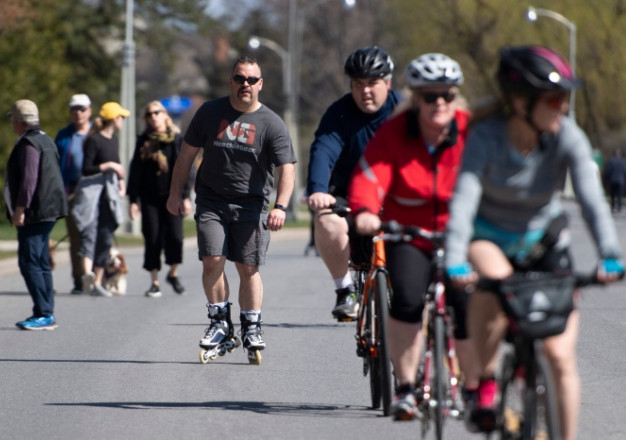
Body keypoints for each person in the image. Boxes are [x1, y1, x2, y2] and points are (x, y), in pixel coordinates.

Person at [444, 46, 625, 440]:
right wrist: (454, 259)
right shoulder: (484, 137)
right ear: (520, 101)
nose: (562, 108)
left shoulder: (567, 136)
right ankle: (483, 380)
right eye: (553, 98)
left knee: (561, 359)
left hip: (546, 246)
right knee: (494, 282)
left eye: (563, 98)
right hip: (488, 240)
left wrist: (609, 254)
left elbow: (591, 199)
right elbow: (462, 203)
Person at [348, 53, 476, 420]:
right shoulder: (395, 133)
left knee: (468, 304)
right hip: (410, 233)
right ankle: (405, 388)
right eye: (429, 96)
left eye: (446, 96)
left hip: (459, 233)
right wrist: (368, 211)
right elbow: (371, 175)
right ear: (414, 99)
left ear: (455, 97)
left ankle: (471, 387)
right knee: (405, 299)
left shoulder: (470, 132)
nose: (438, 103)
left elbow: (493, 176)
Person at [166, 56, 295, 357]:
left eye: (251, 80)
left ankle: (252, 325)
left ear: (260, 84)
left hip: (251, 203)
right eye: (240, 78)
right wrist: (176, 194)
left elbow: (286, 168)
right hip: (211, 199)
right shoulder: (210, 112)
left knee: (247, 266)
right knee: (212, 260)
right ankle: (219, 322)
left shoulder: (271, 123)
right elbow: (185, 156)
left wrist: (281, 206)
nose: (245, 85)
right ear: (231, 81)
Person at [306, 46, 401, 321]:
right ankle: (345, 291)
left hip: (395, 199)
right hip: (349, 197)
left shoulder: (405, 111)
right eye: (358, 84)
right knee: (326, 221)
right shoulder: (339, 113)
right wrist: (318, 190)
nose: (365, 91)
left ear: (388, 83)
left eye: (372, 83)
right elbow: (323, 150)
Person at [5, 99, 68, 330]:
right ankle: (45, 312)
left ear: (18, 121)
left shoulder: (30, 143)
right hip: (48, 210)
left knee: (30, 262)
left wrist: (20, 208)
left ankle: (43, 313)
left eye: (12, 118)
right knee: (40, 262)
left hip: (36, 212)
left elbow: (30, 180)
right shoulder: (45, 139)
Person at [128, 100, 191, 297]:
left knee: (175, 237)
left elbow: (186, 168)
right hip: (150, 198)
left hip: (173, 197)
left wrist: (186, 196)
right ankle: (154, 282)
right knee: (152, 238)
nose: (153, 117)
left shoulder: (177, 139)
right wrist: (132, 201)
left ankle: (173, 273)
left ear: (165, 115)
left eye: (157, 113)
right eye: (149, 114)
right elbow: (135, 171)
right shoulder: (144, 140)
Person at [74, 102, 128, 298]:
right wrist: (108, 165)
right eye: (121, 117)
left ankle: (97, 282)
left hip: (109, 196)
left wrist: (121, 182)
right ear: (114, 119)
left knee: (105, 238)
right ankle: (88, 275)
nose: (123, 120)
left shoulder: (113, 139)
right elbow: (86, 169)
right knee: (89, 234)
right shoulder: (94, 140)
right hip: (92, 194)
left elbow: (118, 166)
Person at [54, 93, 93, 294]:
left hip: (94, 192)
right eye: (74, 109)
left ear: (90, 111)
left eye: (82, 109)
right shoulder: (63, 135)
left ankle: (97, 277)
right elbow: (54, 163)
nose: (78, 113)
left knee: (95, 236)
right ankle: (79, 280)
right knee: (76, 239)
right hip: (70, 192)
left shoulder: (97, 132)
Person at [602, 147, 626, 213]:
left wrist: (606, 179)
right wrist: (625, 178)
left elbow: (608, 171)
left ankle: (613, 206)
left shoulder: (611, 161)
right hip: (621, 180)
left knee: (612, 194)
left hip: (612, 180)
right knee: (620, 194)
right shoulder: (623, 161)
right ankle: (619, 206)